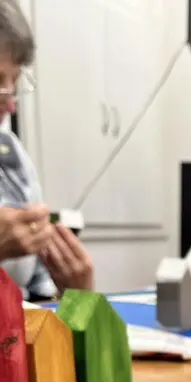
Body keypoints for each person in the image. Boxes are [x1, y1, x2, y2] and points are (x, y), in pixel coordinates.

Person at [0, 0, 93, 299]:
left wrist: (78, 296)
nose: (10, 105)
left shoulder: (11, 156)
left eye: (14, 84)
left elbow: (39, 289)